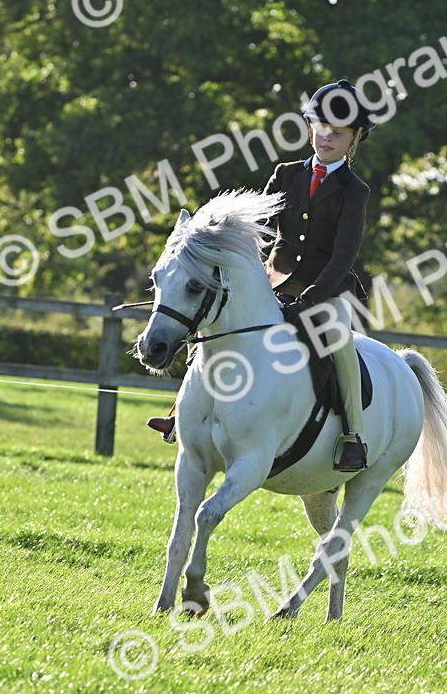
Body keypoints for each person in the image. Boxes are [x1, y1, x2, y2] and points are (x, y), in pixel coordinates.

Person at [148, 79, 375, 472]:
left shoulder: (354, 190)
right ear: (309, 128)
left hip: (328, 291)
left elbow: (344, 252)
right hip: (275, 282)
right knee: (210, 317)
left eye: (336, 134)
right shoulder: (286, 174)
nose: (326, 138)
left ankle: (352, 434)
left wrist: (315, 297)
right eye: (320, 129)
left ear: (354, 138)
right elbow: (255, 227)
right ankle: (180, 413)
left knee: (338, 340)